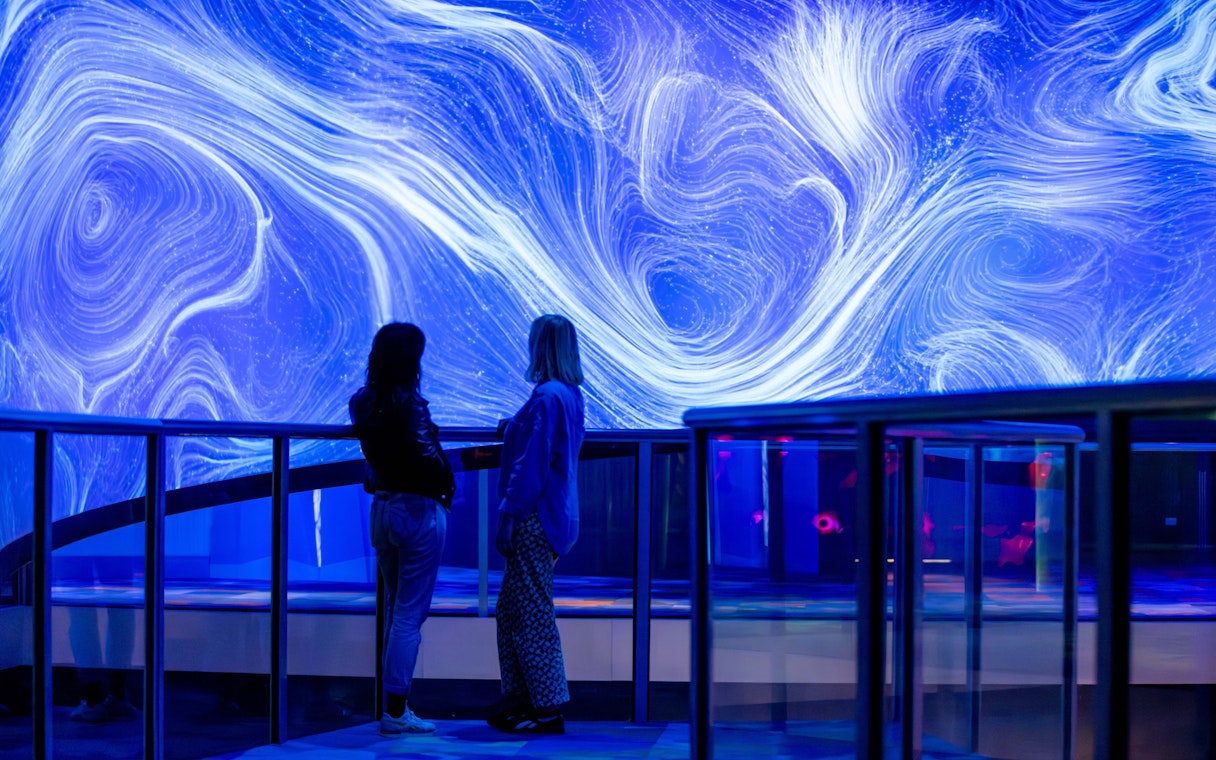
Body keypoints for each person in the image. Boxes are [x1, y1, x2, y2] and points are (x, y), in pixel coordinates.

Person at [349, 322, 454, 737]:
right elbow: (426, 457)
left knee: (395, 609)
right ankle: (395, 708)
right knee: (409, 614)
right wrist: (446, 485)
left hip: (383, 508)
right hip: (417, 512)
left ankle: (395, 705)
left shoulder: (362, 403)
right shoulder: (411, 406)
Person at [488, 314, 586, 735]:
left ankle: (545, 706)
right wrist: (512, 428)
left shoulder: (546, 398)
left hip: (534, 517)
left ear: (540, 347)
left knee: (530, 614)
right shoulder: (568, 395)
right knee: (512, 609)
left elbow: (532, 466)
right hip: (556, 514)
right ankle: (522, 697)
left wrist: (509, 515)